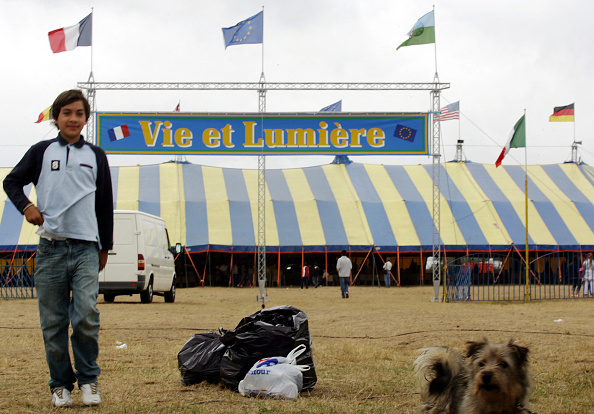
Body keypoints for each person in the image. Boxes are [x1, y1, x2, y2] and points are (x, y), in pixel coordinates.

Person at [3, 90, 113, 408]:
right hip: (50, 249)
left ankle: (89, 381)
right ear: (56, 117)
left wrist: (105, 247)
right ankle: (60, 385)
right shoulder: (40, 151)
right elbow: (11, 181)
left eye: (79, 113)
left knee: (86, 317)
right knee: (53, 322)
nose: (73, 118)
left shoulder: (96, 156)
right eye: (66, 113)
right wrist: (26, 207)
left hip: (86, 249)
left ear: (86, 119)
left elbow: (104, 205)